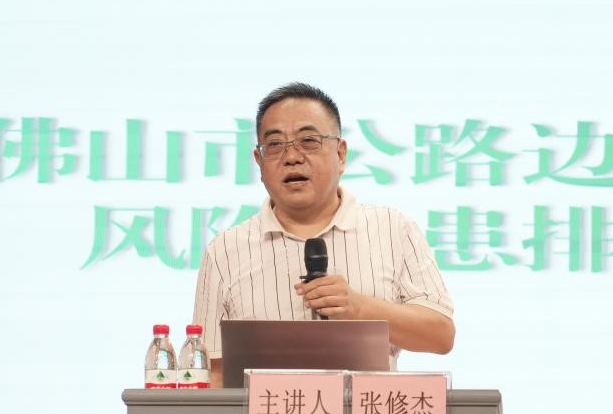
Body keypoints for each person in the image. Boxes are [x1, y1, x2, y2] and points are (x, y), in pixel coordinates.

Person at [192, 82, 454, 386]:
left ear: (341, 154)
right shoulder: (224, 250)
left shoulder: (393, 228)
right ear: (259, 161)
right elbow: (211, 371)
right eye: (274, 144)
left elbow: (441, 334)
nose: (291, 157)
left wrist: (359, 308)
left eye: (308, 141)